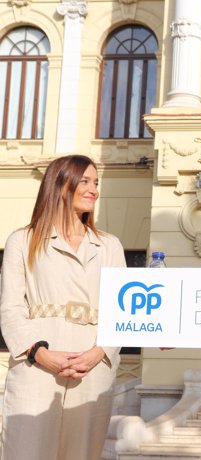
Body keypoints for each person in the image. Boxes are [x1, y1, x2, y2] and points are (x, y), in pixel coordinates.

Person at [0, 155, 126, 460]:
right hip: (36, 367)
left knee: (82, 454)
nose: (93, 189)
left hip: (93, 369)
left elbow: (122, 312)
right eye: (84, 181)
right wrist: (40, 354)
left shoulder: (110, 246)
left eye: (96, 183)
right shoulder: (23, 240)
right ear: (60, 185)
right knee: (25, 452)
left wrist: (98, 354)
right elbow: (11, 308)